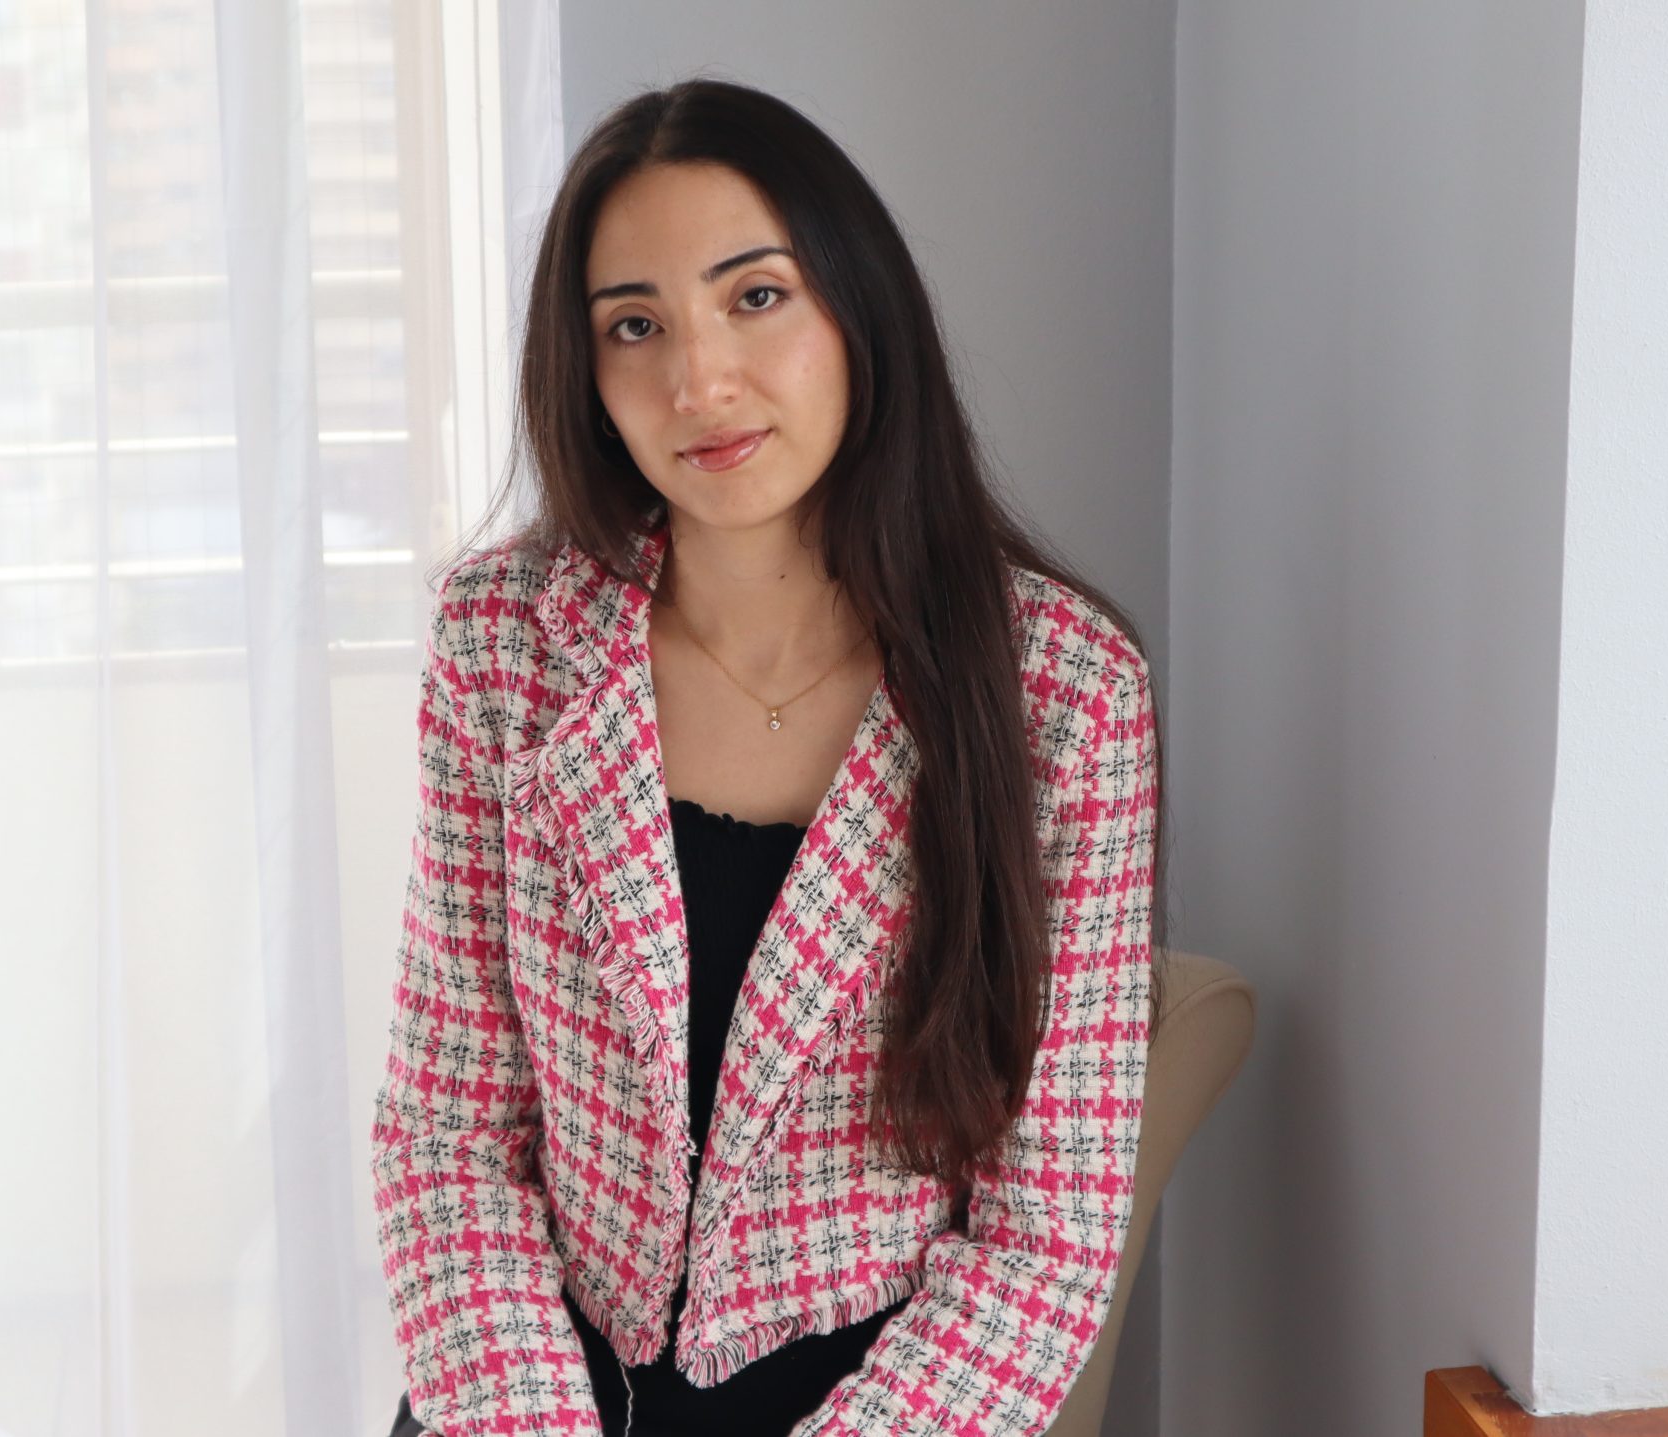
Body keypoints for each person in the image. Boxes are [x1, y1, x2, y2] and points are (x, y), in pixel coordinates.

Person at [372, 77, 1165, 1437]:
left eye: (755, 297)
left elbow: (1044, 1237)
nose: (699, 382)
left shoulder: (1064, 694)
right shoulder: (504, 645)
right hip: (529, 1388)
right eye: (635, 325)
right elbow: (450, 1137)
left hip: (878, 1399)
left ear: (859, 309)